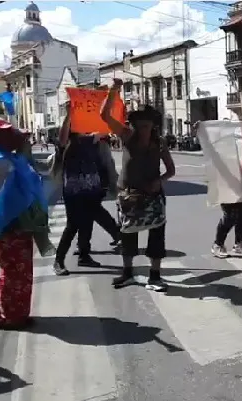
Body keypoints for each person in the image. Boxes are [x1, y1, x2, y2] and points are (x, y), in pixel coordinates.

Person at [100, 78, 175, 292]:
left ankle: (155, 276)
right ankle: (127, 274)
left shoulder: (159, 144)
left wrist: (159, 181)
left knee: (156, 236)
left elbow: (171, 170)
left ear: (153, 125)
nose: (142, 128)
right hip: (129, 195)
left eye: (146, 124)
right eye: (139, 124)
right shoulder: (127, 136)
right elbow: (104, 116)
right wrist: (113, 91)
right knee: (128, 234)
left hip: (153, 196)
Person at [0, 117, 47, 330]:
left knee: (9, 267)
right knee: (18, 271)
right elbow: (27, 183)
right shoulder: (2, 160)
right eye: (10, 132)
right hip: (10, 221)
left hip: (0, 219)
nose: (16, 134)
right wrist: (23, 146)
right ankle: (10, 317)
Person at [52, 104, 106, 276]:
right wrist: (69, 114)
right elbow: (61, 137)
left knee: (88, 223)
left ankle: (84, 255)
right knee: (73, 225)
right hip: (73, 191)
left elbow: (107, 127)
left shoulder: (92, 139)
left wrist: (107, 99)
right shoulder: (67, 143)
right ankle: (58, 261)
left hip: (92, 188)